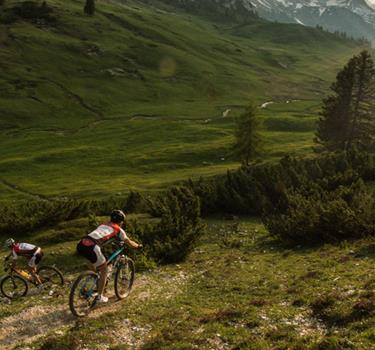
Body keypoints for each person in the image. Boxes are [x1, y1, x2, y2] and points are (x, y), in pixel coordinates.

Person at [77, 209, 142, 303]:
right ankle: (99, 296)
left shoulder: (103, 225)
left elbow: (102, 236)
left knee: (96, 269)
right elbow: (129, 243)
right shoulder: (118, 229)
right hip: (92, 246)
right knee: (104, 270)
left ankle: (92, 285)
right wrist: (138, 246)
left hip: (81, 244)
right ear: (121, 221)